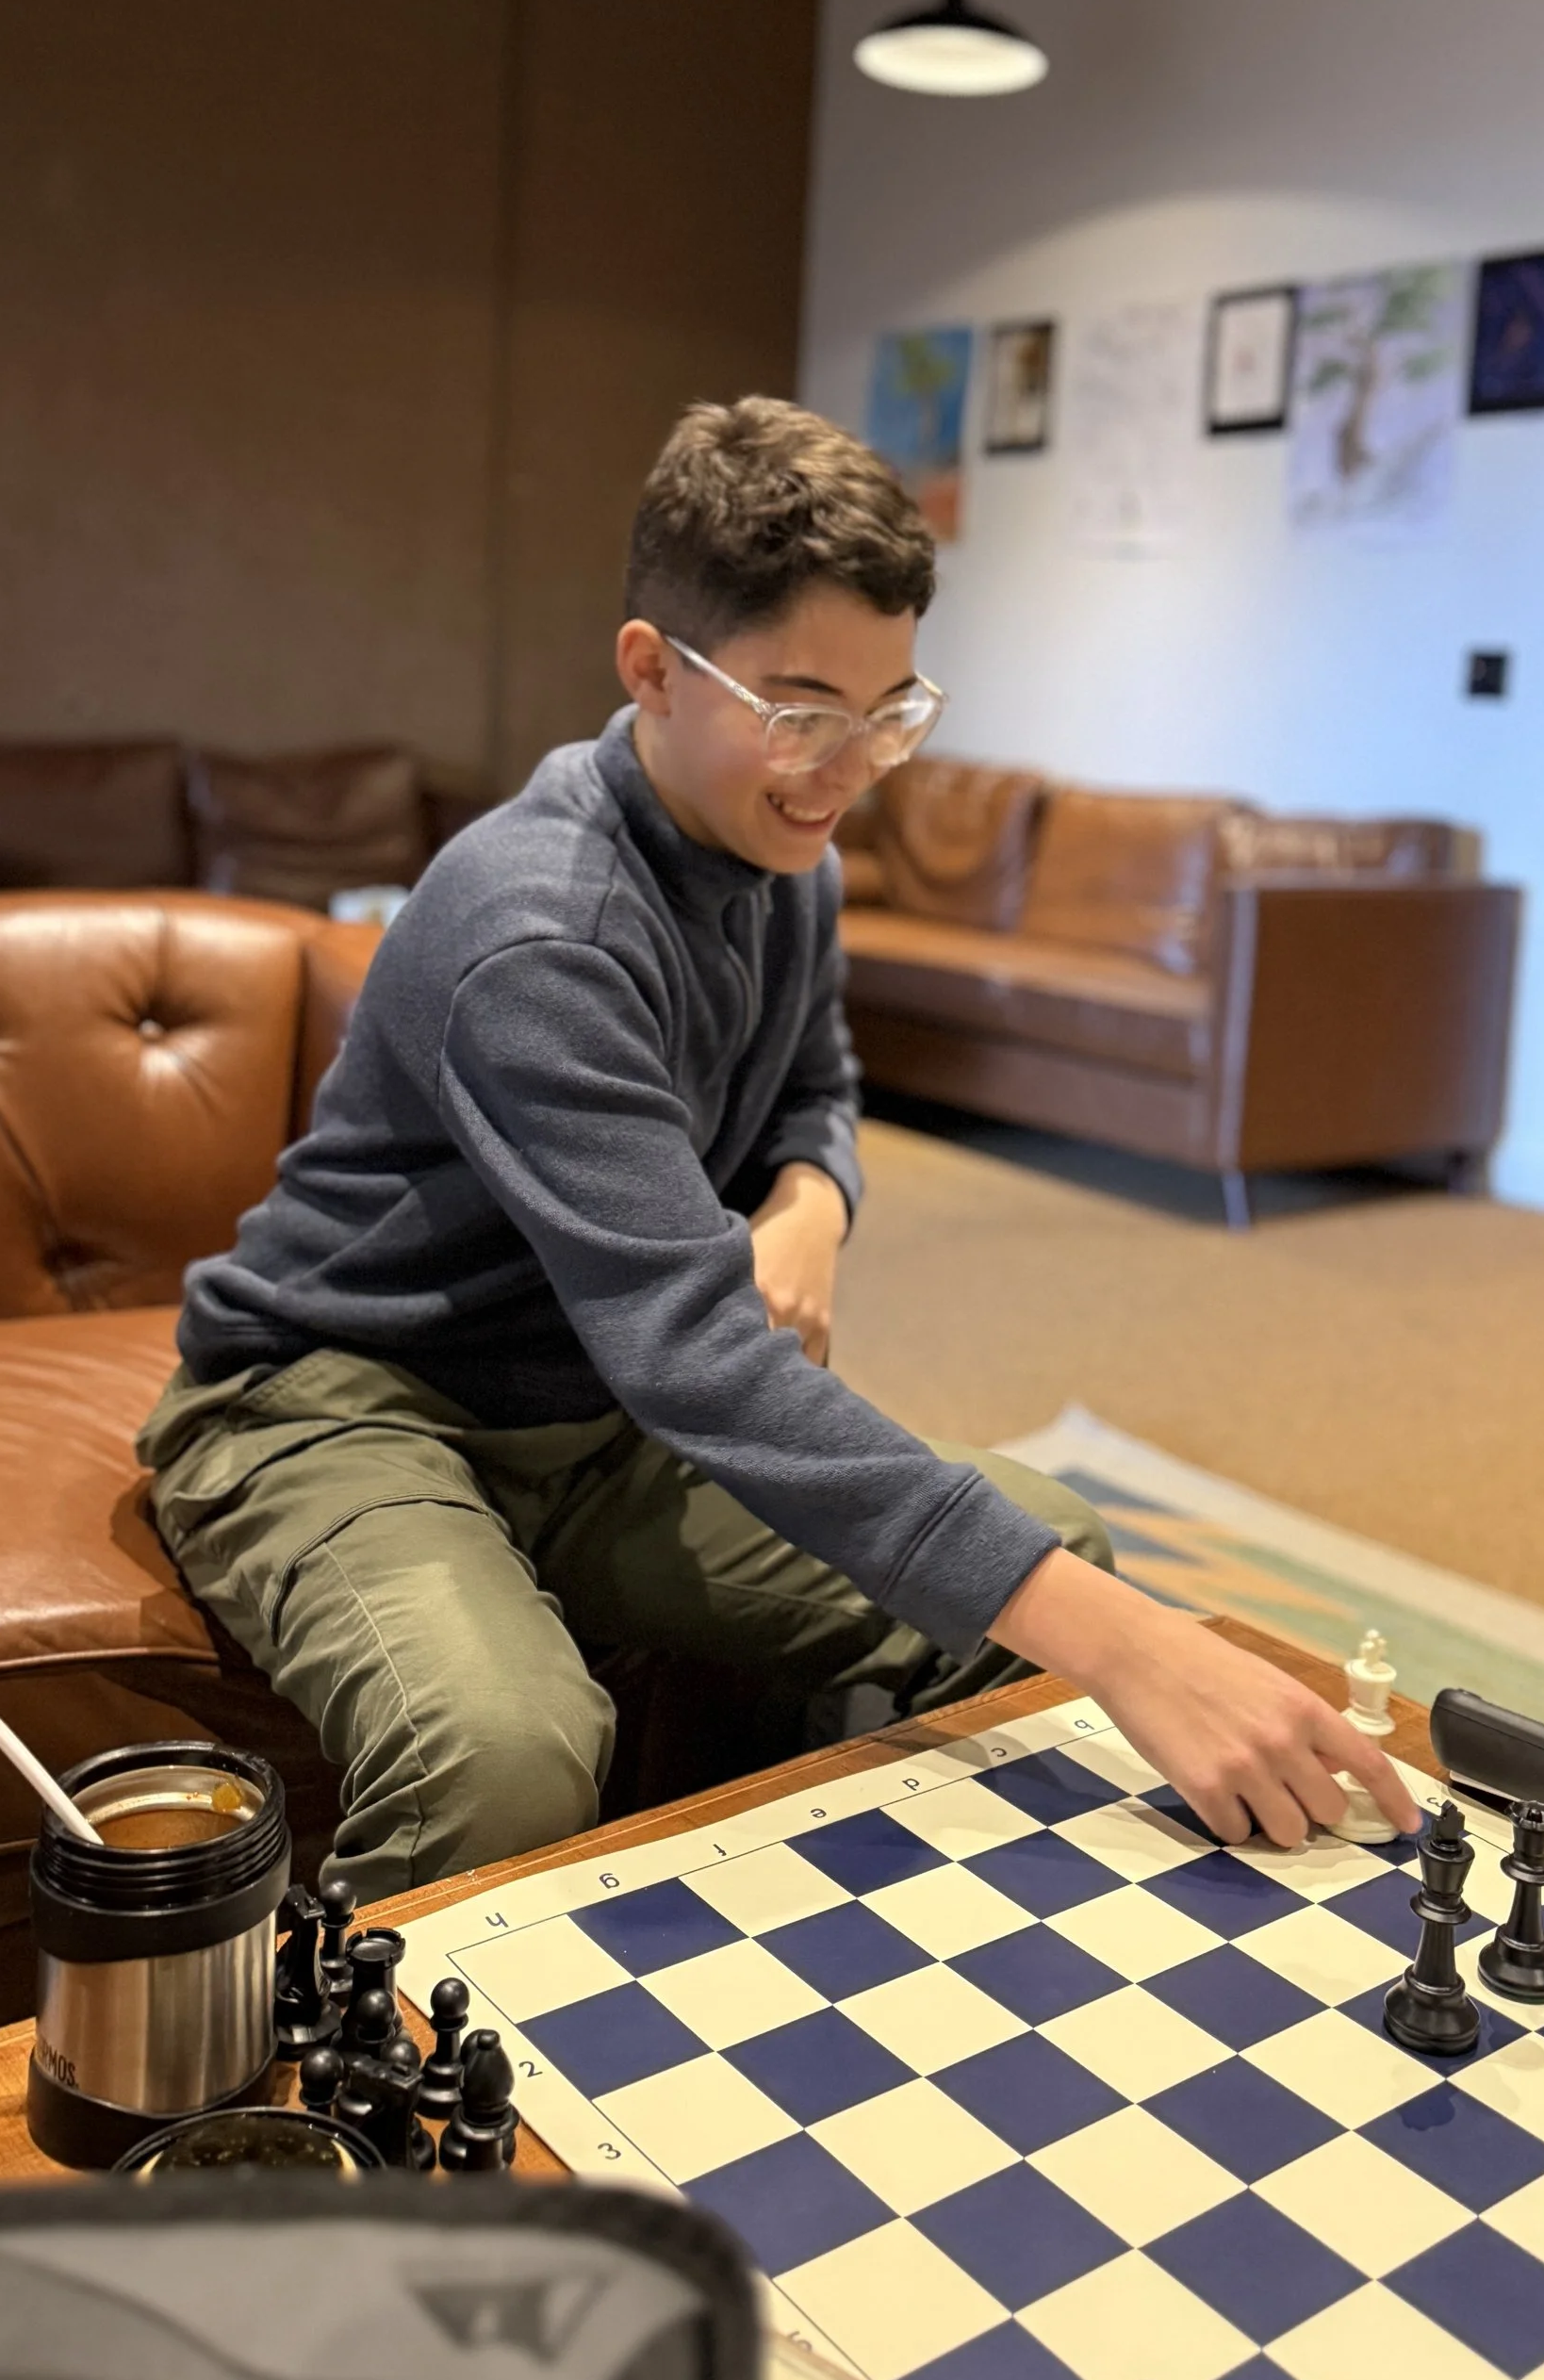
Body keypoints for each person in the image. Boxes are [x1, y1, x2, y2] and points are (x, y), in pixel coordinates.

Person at [139, 399, 1418, 1893]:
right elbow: (699, 1354)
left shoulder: (780, 848)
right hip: (344, 1404)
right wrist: (1134, 1650)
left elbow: (814, 1078)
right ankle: (346, 2109)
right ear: (649, 672)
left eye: (892, 712)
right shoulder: (541, 928)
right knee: (507, 1754)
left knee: (1049, 1540)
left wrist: (813, 1200)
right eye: (803, 708)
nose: (851, 766)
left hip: (602, 1418)